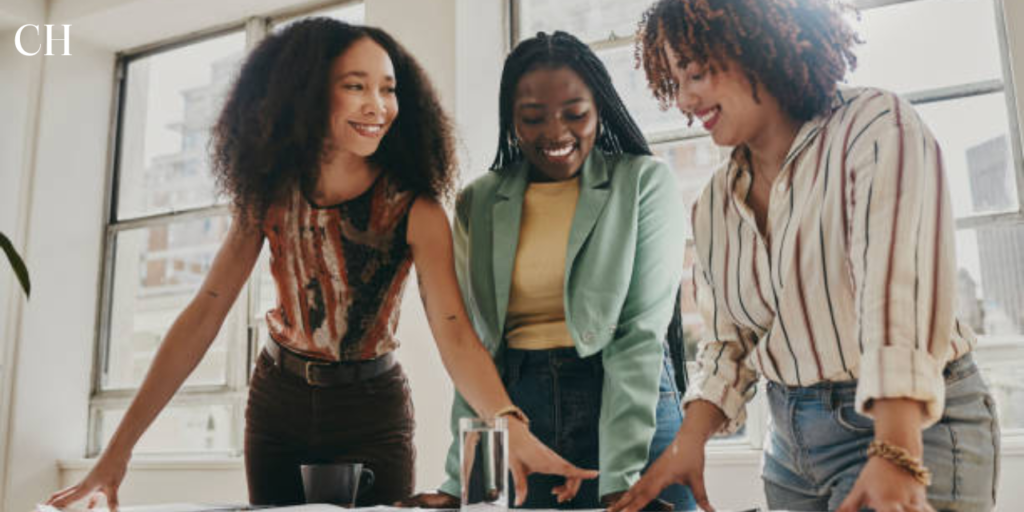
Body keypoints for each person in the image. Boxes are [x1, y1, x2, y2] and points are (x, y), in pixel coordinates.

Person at [44, 18, 596, 511]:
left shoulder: (416, 209)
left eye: (388, 88)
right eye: (355, 86)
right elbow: (204, 315)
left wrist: (509, 425)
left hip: (371, 409)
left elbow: (454, 332)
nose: (377, 104)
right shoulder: (268, 197)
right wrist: (114, 457)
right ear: (307, 94)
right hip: (277, 402)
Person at [610, 1, 1001, 512]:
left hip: (908, 424)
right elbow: (731, 342)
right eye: (675, 81)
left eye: (698, 73)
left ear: (754, 45)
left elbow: (896, 296)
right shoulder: (713, 204)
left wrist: (897, 450)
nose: (684, 98)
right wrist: (689, 441)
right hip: (790, 447)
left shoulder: (874, 128)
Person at [401, 31, 695, 510]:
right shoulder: (480, 200)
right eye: (532, 118)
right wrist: (460, 481)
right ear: (511, 121)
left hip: (629, 411)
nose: (555, 133)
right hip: (521, 415)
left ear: (599, 109)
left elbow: (638, 335)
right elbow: (477, 348)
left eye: (575, 114)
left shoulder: (642, 182)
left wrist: (619, 478)